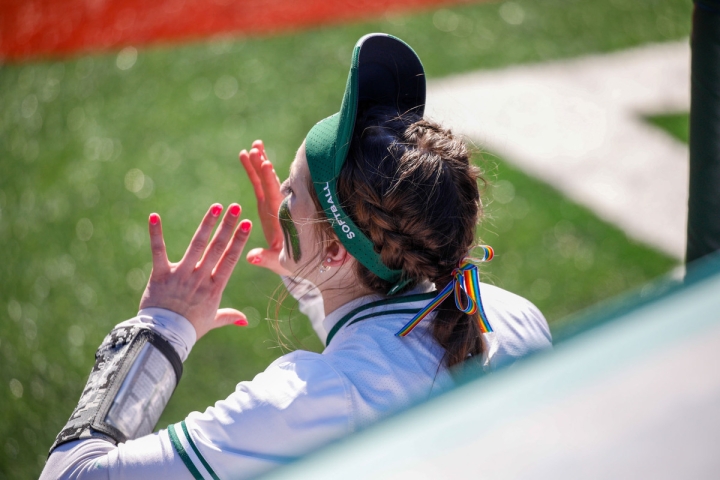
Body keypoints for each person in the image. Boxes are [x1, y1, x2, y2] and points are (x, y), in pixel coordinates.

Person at [40, 34, 551, 480]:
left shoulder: (306, 400)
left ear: (334, 250)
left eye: (290, 192)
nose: (280, 198)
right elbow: (383, 356)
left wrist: (161, 329)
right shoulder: (510, 314)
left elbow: (72, 477)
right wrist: (311, 275)